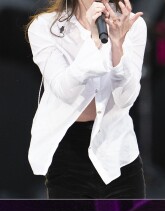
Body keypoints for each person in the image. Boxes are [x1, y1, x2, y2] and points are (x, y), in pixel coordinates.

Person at [27, 0, 147, 198]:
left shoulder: (131, 24)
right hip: (68, 153)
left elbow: (126, 99)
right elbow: (64, 90)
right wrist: (93, 42)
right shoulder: (45, 27)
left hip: (117, 151)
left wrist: (117, 45)